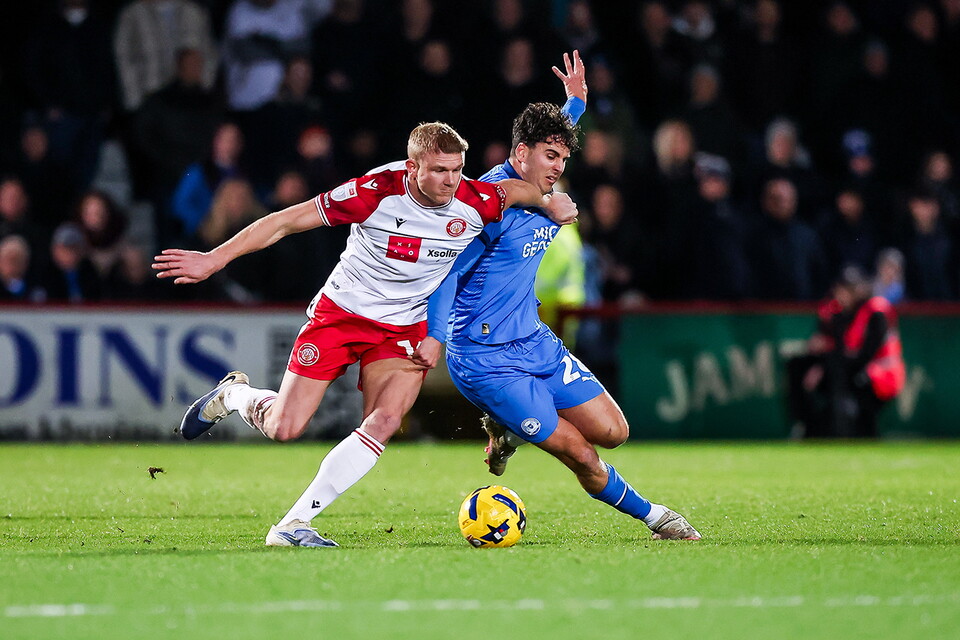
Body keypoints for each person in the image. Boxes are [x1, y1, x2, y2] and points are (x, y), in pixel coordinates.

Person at [152, 121, 578, 547]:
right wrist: (213, 259)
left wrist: (548, 201)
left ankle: (293, 524)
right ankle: (234, 395)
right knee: (284, 427)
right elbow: (286, 221)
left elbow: (521, 190)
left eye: (457, 169)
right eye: (439, 170)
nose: (451, 181)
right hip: (342, 316)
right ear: (412, 167)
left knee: (385, 420)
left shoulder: (477, 198)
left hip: (405, 327)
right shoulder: (374, 192)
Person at [415, 52, 701, 541]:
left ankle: (507, 430)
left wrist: (576, 103)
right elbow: (446, 275)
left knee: (614, 432)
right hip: (485, 359)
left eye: (564, 159)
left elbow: (553, 137)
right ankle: (656, 518)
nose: (558, 167)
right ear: (520, 153)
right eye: (551, 157)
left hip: (533, 341)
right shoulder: (488, 205)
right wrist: (434, 336)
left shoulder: (542, 187)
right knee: (581, 454)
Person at [786, 265, 905, 438]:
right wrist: (821, 362)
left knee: (837, 368)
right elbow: (832, 344)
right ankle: (804, 425)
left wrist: (825, 365)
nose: (841, 294)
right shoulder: (839, 312)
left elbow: (865, 356)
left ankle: (842, 432)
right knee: (798, 365)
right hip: (852, 370)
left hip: (880, 376)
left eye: (847, 289)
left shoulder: (875, 312)